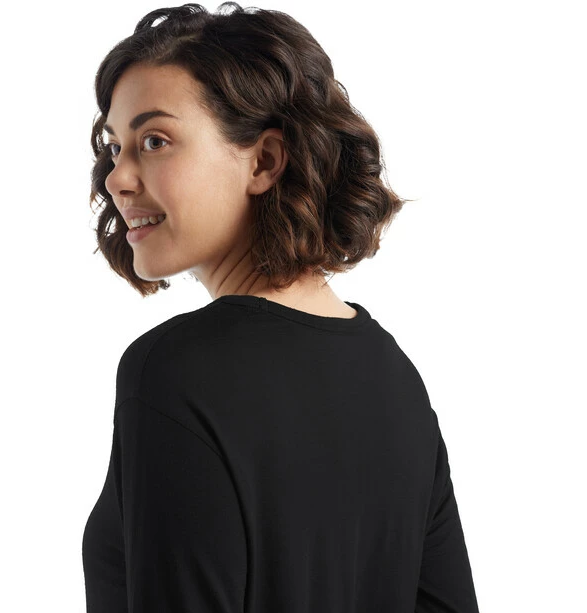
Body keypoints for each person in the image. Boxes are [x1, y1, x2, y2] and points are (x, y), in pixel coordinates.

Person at [81, 4, 480, 612]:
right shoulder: (396, 378)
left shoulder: (177, 372)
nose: (117, 178)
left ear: (265, 161)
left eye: (154, 141)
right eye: (116, 147)